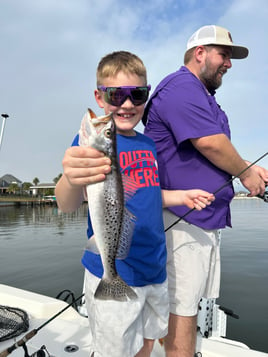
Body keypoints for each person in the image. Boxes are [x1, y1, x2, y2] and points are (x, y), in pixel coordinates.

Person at [55, 50, 215, 357]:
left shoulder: (148, 144)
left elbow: (148, 195)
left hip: (154, 268)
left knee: (148, 339)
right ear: (99, 97)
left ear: (146, 95)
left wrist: (181, 196)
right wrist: (71, 178)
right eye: (116, 95)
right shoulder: (90, 146)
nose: (127, 104)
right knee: (115, 350)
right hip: (113, 268)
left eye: (138, 95)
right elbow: (67, 204)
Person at [143, 25, 268, 357]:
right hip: (182, 221)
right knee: (182, 307)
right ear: (200, 53)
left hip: (201, 222)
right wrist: (245, 173)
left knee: (185, 304)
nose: (229, 63)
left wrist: (250, 170)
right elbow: (211, 144)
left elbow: (219, 147)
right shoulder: (181, 87)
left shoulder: (203, 96)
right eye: (224, 55)